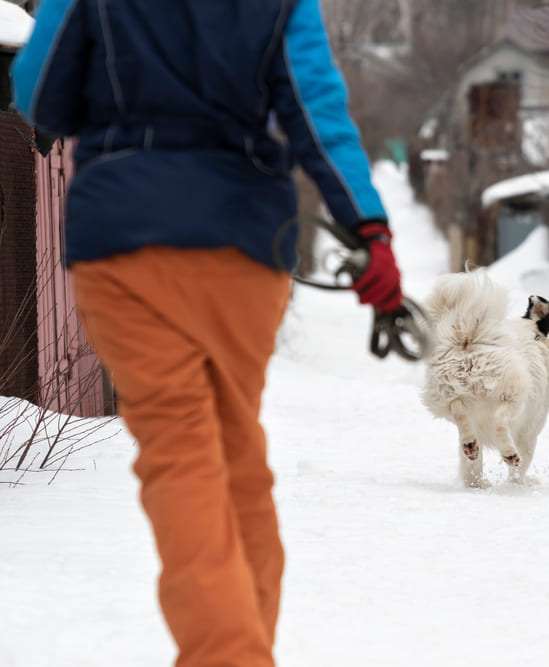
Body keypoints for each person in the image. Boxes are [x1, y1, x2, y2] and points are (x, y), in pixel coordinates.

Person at [12, 1, 402, 665]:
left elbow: (39, 94)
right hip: (243, 248)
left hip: (126, 238)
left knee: (182, 453)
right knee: (234, 451)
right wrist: (369, 228)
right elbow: (317, 113)